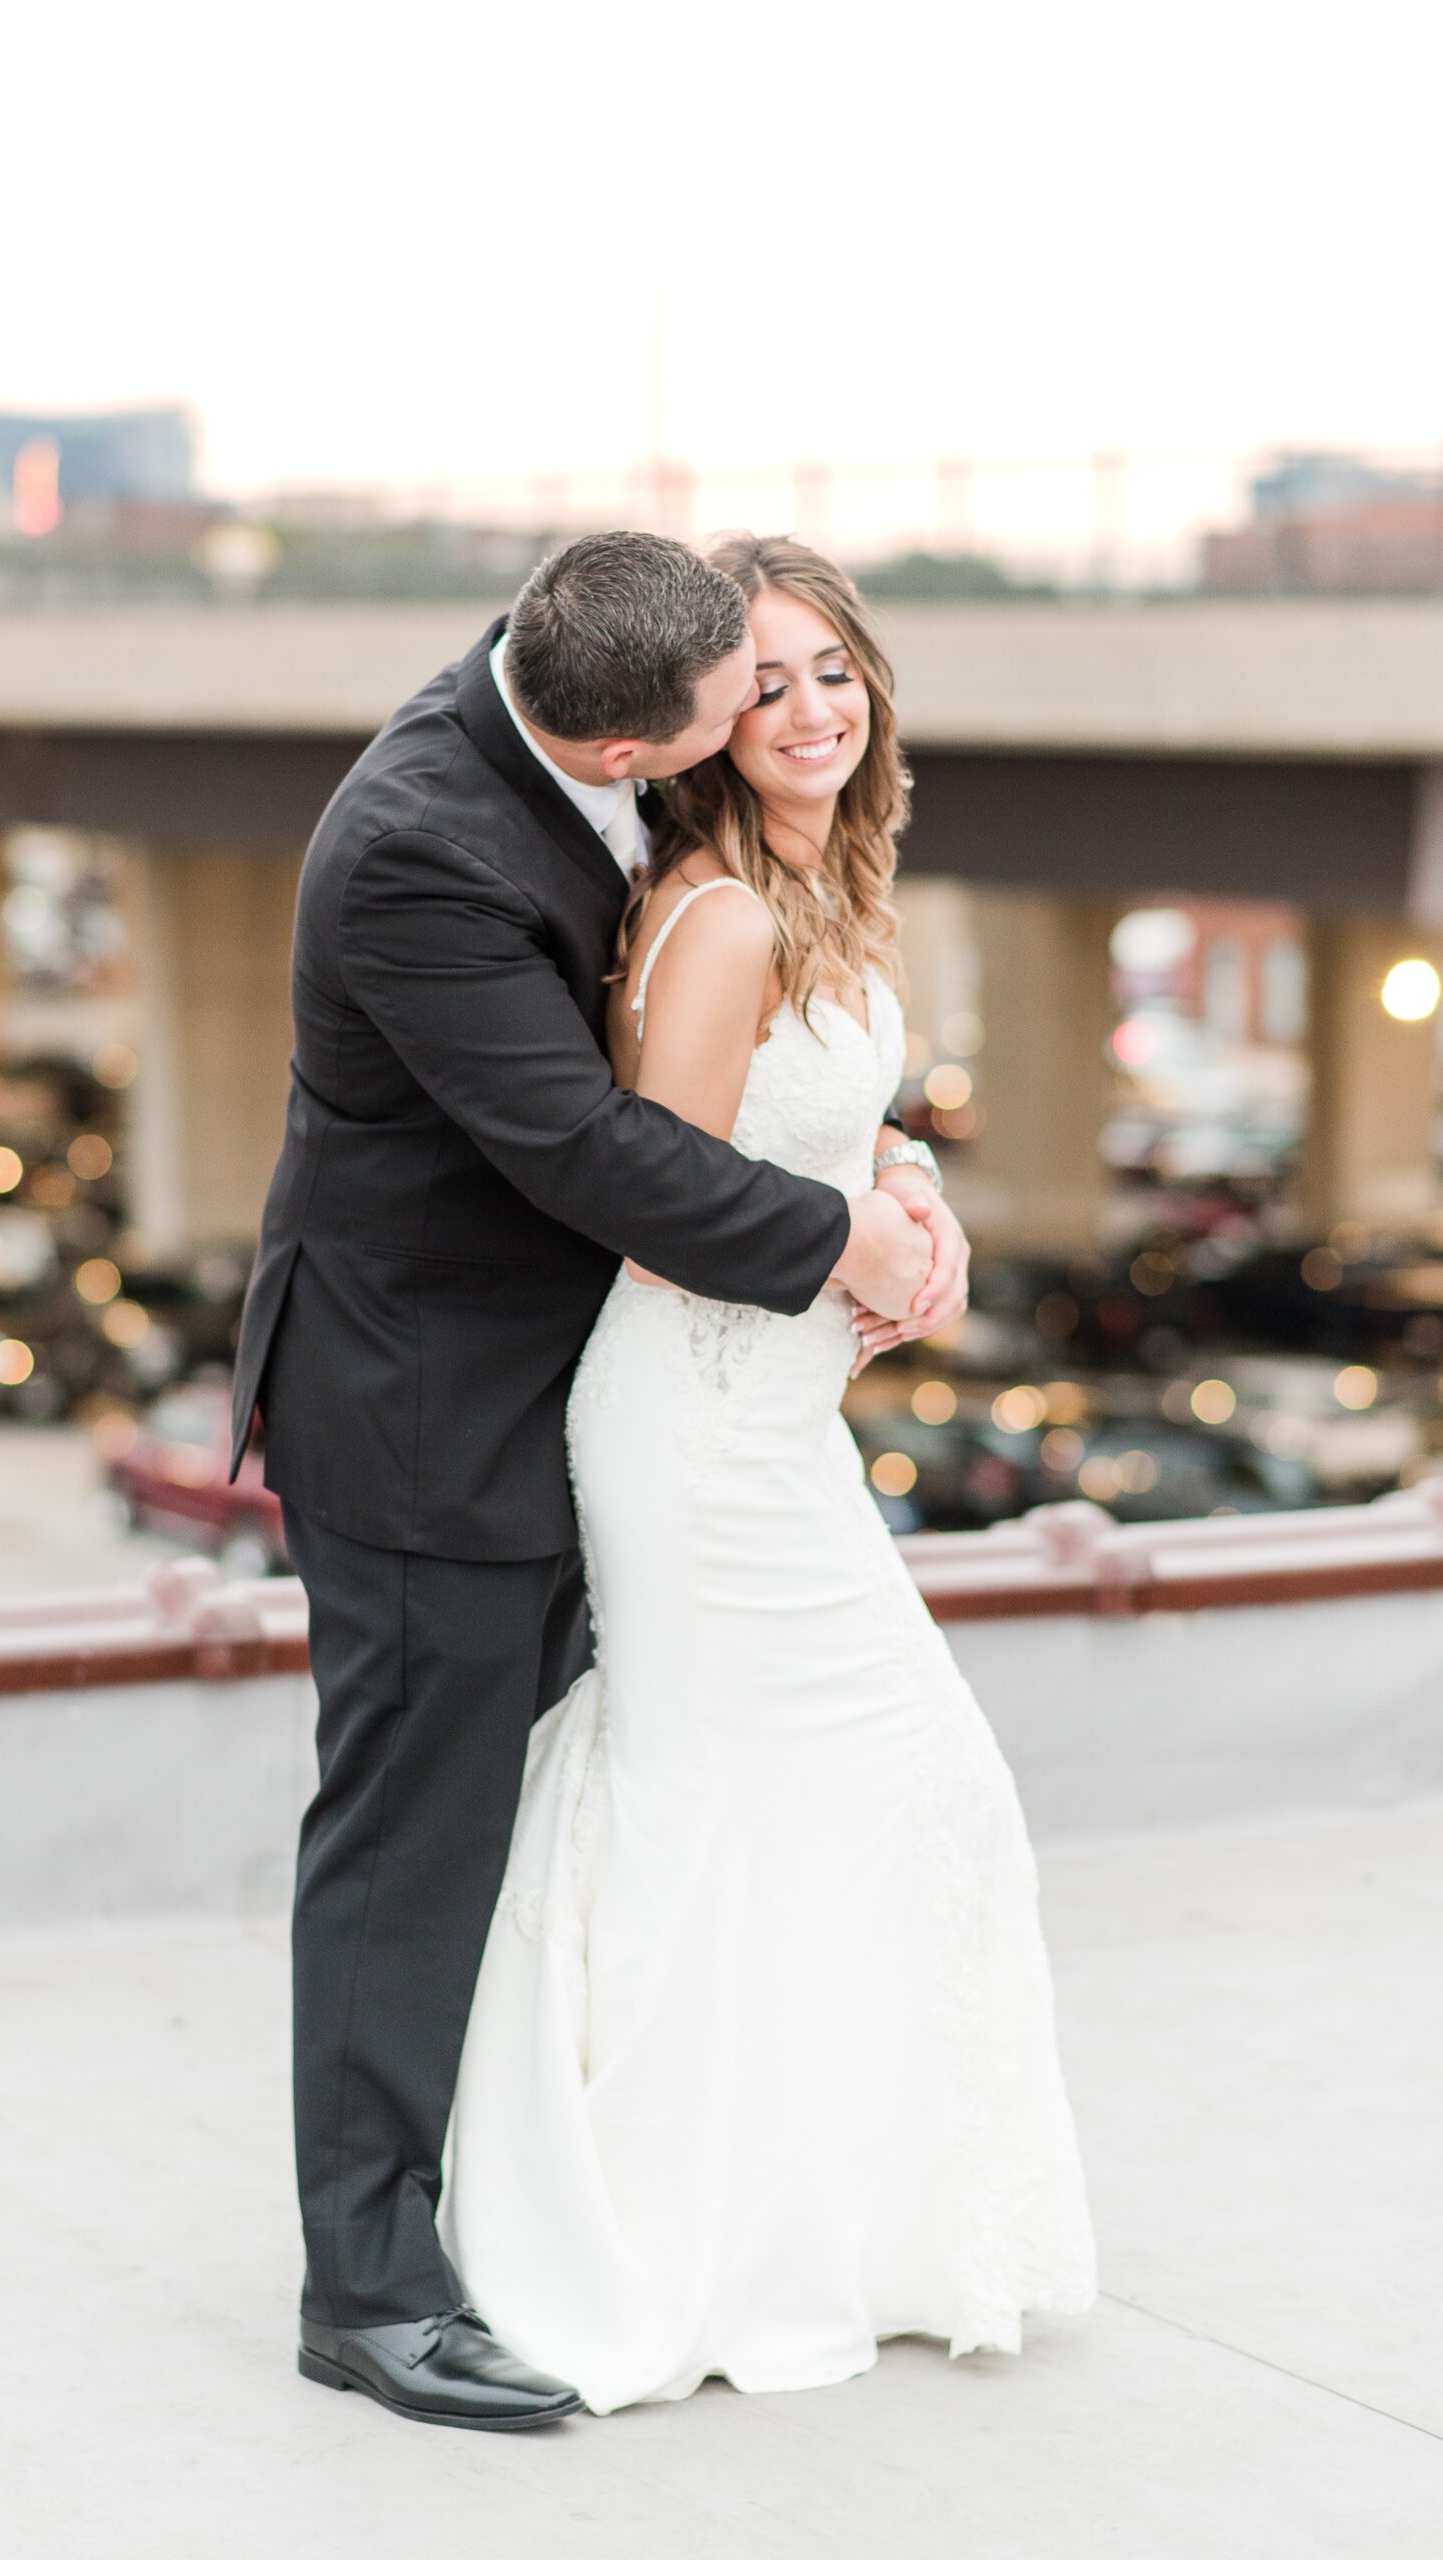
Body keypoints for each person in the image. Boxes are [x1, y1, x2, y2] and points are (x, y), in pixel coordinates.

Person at [229, 531, 955, 2432]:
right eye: (735, 713)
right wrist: (846, 1244)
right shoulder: (416, 848)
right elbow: (583, 1150)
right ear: (631, 746)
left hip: (596, 1397)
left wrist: (900, 1180)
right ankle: (365, 2288)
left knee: (586, 1816)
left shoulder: (604, 677)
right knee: (417, 1837)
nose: (768, 730)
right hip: (421, 1406)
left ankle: (578, 2197)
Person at [438, 534, 1098, 2414]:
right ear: (711, 715)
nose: (808, 711)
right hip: (695, 1428)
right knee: (781, 1800)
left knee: (841, 1807)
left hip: (773, 1427)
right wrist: (853, 1242)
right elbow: (656, 1202)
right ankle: (664, 2236)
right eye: (769, 682)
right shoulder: (720, 910)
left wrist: (909, 1185)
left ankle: (825, 2222)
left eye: (834, 673)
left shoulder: (826, 891)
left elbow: (833, 1113)